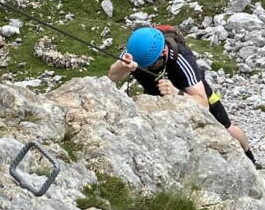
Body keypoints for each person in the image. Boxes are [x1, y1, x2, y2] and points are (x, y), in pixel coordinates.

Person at [107, 26, 254, 163]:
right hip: (157, 97)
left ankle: (249, 157)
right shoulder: (136, 54)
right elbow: (112, 77)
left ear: (163, 53)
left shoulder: (181, 59)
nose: (147, 68)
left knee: (227, 128)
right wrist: (122, 66)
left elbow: (203, 103)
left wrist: (176, 92)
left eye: (151, 65)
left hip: (192, 91)